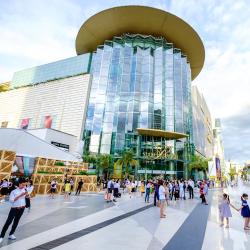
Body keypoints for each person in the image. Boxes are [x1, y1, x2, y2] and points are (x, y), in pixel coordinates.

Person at [0, 178, 27, 243]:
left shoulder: (25, 190)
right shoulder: (14, 191)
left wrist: (27, 196)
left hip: (22, 208)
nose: (24, 186)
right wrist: (21, 195)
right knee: (8, 222)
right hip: (14, 208)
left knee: (16, 221)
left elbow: (25, 198)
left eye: (25, 185)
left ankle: (11, 234)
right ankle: (1, 236)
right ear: (19, 184)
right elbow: (11, 201)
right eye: (23, 185)